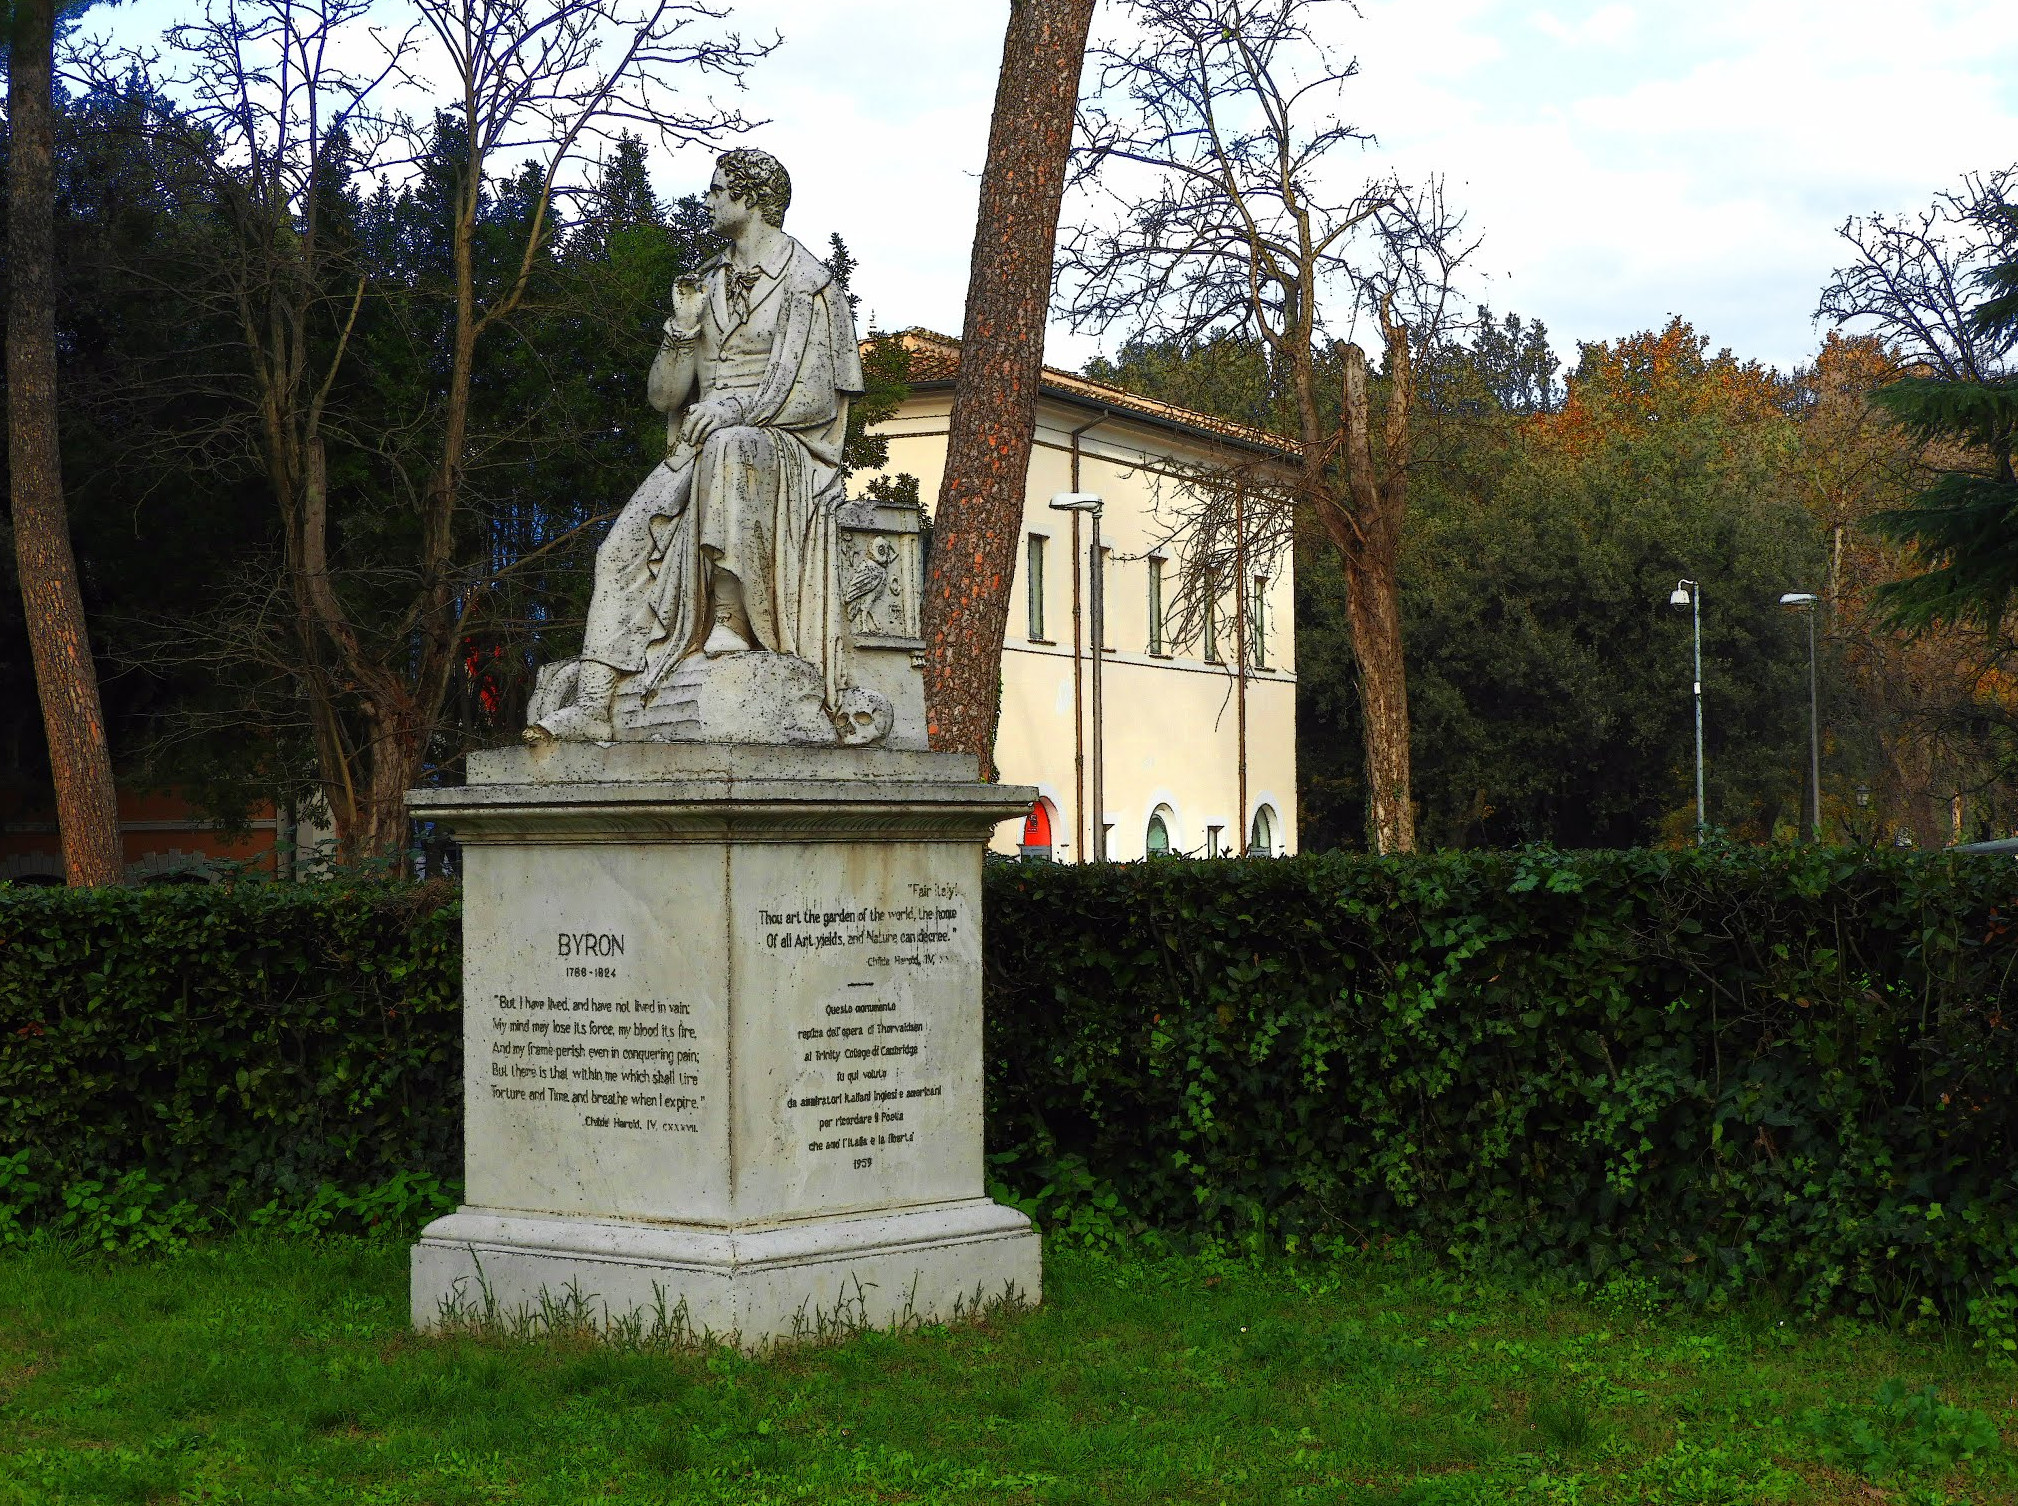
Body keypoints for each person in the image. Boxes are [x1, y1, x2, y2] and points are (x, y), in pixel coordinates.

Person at [528, 148, 864, 742]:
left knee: (732, 450)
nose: (706, 200)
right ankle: (594, 699)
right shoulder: (703, 282)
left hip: (782, 447)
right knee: (619, 548)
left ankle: (731, 623)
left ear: (752, 199)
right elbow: (664, 397)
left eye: (717, 190)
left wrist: (738, 409)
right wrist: (683, 329)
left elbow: (817, 397)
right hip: (696, 445)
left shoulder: (811, 285)